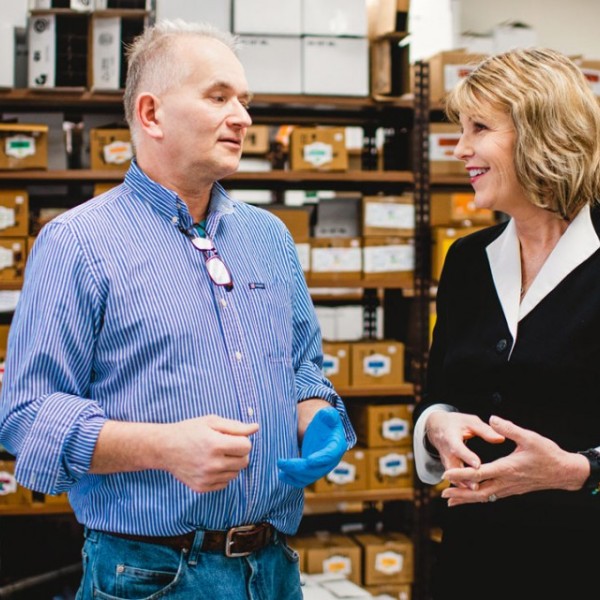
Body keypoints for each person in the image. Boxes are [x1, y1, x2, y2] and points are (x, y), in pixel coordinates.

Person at [0, 20, 356, 600]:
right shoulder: (78, 243)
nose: (242, 116)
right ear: (151, 114)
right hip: (150, 574)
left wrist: (315, 414)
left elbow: (302, 365)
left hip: (272, 568)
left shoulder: (268, 237)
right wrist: (163, 447)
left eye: (244, 100)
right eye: (219, 97)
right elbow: (26, 416)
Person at [413, 47, 600, 600]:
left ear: (545, 134)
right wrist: (436, 426)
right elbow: (438, 396)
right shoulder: (468, 260)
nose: (461, 148)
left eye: (479, 128)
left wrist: (578, 470)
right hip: (474, 563)